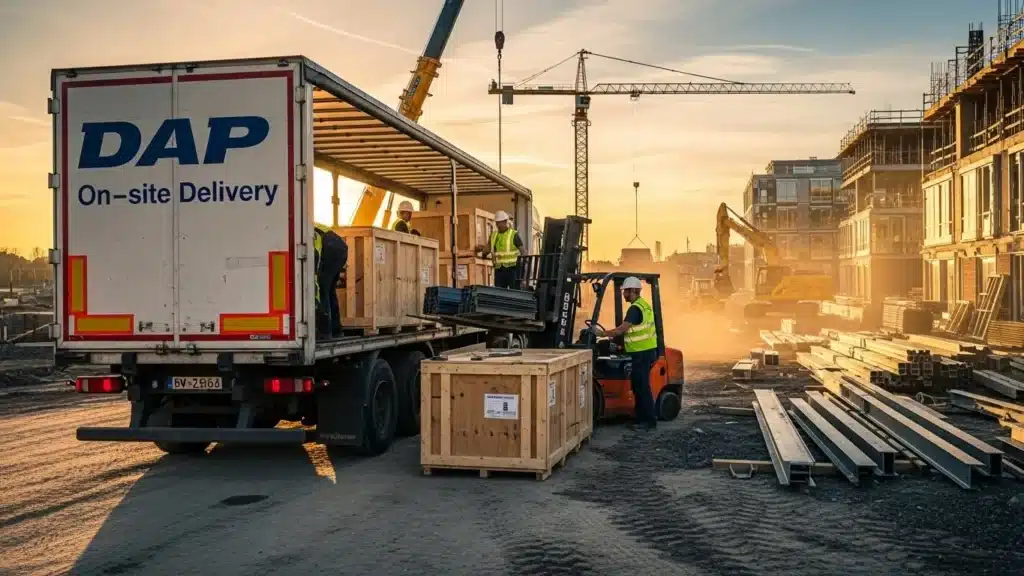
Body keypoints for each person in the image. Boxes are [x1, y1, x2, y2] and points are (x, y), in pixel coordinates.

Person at [593, 276, 658, 430]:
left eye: (625, 292)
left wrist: (601, 334)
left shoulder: (635, 308)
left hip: (642, 353)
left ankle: (648, 421)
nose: (624, 295)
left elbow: (623, 329)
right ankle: (641, 418)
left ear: (633, 291)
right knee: (638, 386)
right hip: (642, 352)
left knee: (642, 388)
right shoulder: (642, 306)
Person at [313, 222, 348, 338]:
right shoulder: (308, 224)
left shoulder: (307, 231)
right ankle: (336, 330)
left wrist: (315, 275)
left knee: (322, 289)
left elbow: (317, 252)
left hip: (331, 247)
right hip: (340, 247)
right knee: (329, 290)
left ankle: (324, 332)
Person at [478, 210, 523, 290]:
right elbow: (488, 248)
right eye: (497, 223)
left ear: (506, 222)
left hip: (512, 268)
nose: (498, 225)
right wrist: (483, 254)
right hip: (499, 269)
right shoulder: (494, 235)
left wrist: (523, 264)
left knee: (514, 290)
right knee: (499, 291)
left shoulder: (513, 234)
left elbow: (522, 250)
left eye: (500, 222)